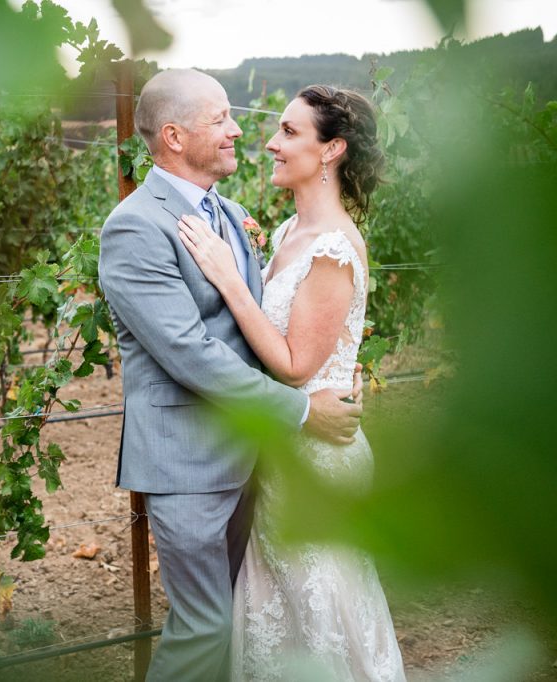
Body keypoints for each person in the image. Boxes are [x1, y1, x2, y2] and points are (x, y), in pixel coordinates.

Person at [98, 69, 364, 682]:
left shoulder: (232, 213)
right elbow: (191, 354)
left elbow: (271, 327)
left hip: (251, 456)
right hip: (186, 461)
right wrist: (302, 411)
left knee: (243, 626)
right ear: (173, 135)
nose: (238, 130)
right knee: (205, 627)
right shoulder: (135, 226)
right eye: (220, 119)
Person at [176, 85, 406, 681]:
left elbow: (296, 364)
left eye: (289, 132)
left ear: (332, 150)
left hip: (318, 456)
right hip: (284, 450)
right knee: (278, 615)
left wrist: (228, 278)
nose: (272, 144)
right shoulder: (283, 235)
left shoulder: (332, 248)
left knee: (323, 611)